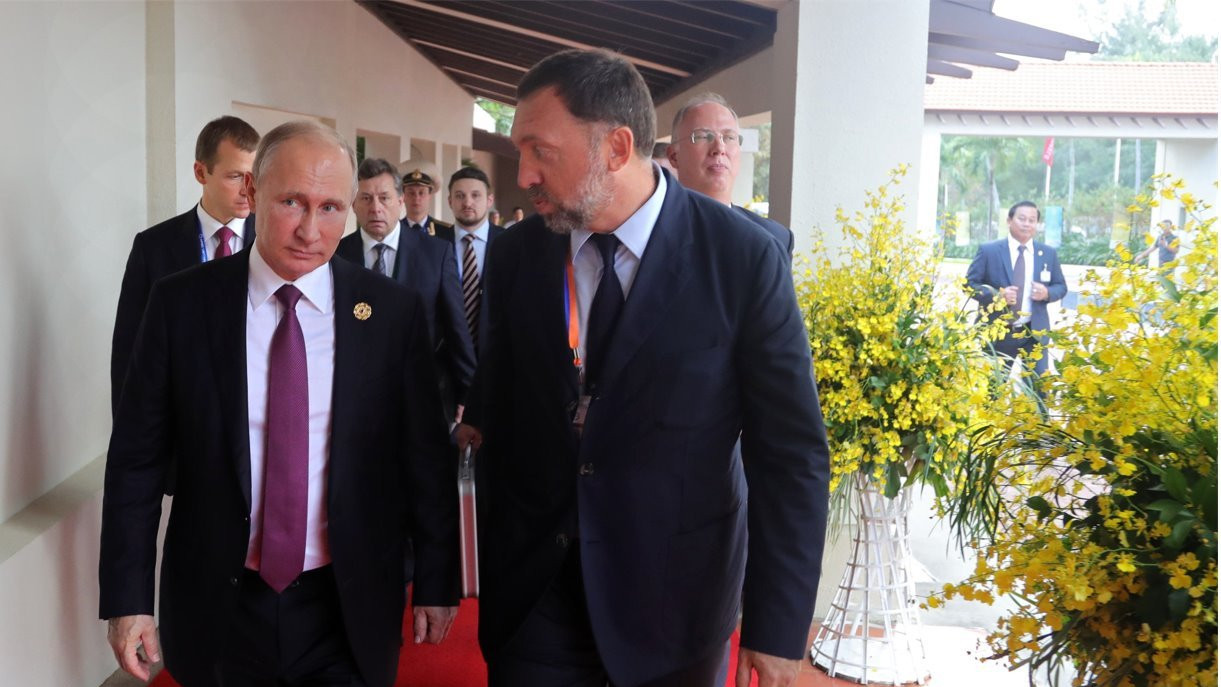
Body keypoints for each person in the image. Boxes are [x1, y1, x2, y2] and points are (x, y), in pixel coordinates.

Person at [458, 49, 829, 687]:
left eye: (541, 151)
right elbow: (505, 406)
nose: (524, 175)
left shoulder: (742, 260)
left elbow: (790, 454)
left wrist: (777, 626)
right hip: (535, 598)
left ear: (616, 147)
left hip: (675, 603)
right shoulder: (517, 255)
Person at [100, 121, 460, 687]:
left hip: (346, 601)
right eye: (292, 201)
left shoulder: (391, 314)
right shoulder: (182, 304)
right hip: (219, 602)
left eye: (330, 207)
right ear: (254, 195)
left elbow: (425, 459)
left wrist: (439, 579)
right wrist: (128, 598)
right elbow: (136, 462)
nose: (310, 230)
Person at [111, 115, 259, 415]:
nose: (248, 189)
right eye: (234, 176)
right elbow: (129, 352)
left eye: (253, 177)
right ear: (201, 172)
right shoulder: (153, 248)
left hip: (255, 417)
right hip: (180, 420)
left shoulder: (274, 243)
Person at [337, 157, 476, 423]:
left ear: (400, 201)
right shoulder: (338, 256)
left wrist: (468, 393)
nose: (376, 208)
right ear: (354, 204)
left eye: (384, 198)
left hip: (424, 390)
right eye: (366, 199)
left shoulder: (436, 253)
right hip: (355, 394)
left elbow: (455, 326)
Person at [667, 93, 793, 255]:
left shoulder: (774, 239)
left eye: (729, 137)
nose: (719, 148)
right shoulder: (647, 232)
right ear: (674, 156)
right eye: (703, 136)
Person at [966, 200, 1067, 377]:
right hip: (998, 333)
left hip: (1034, 333)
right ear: (1009, 220)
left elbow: (1061, 286)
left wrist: (1047, 293)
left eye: (1032, 220)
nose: (1027, 224)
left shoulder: (1048, 254)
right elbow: (969, 285)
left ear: (1037, 224)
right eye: (1022, 219)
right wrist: (997, 296)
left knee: (1038, 390)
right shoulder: (989, 251)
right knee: (993, 390)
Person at [439, 166, 506, 349]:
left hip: (498, 352)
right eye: (460, 196)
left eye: (476, 195)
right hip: (446, 356)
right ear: (450, 201)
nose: (467, 203)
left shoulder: (508, 243)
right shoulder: (435, 244)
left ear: (489, 200)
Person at [401, 165, 452, 237]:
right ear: (403, 197)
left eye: (421, 193)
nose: (416, 198)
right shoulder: (394, 230)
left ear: (429, 196)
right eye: (411, 193)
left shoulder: (445, 231)